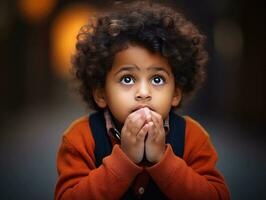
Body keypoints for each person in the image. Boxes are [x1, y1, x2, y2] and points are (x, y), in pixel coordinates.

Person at [55, 1, 230, 199]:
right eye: (127, 79)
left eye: (157, 79)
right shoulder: (81, 138)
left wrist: (163, 161)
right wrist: (124, 160)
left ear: (175, 94)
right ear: (101, 93)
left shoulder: (192, 137)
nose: (144, 92)